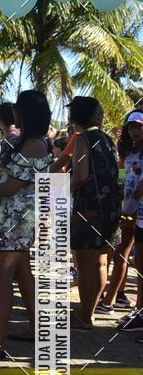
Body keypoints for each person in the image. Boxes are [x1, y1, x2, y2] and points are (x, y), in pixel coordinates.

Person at [0, 91, 53, 358]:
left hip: (16, 221)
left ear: (23, 112)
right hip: (15, 220)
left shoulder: (34, 144)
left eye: (17, 107)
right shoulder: (30, 141)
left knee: (3, 281)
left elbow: (12, 187)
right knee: (23, 275)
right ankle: (38, 329)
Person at [69, 96, 121, 329]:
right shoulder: (107, 139)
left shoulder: (83, 140)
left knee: (84, 262)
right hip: (109, 209)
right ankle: (90, 310)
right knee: (101, 262)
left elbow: (80, 175)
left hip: (88, 208)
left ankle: (85, 314)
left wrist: (61, 189)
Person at [97, 111, 143, 315]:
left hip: (137, 212)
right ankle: (114, 299)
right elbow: (122, 176)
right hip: (124, 208)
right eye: (132, 127)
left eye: (139, 126)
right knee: (120, 253)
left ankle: (110, 301)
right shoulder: (128, 152)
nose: (135, 131)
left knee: (123, 252)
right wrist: (119, 189)